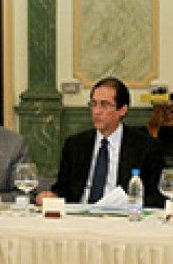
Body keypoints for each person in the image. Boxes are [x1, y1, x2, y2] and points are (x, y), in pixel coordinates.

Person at [41, 77, 164, 207]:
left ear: (122, 110)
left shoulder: (146, 146)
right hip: (78, 213)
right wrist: (50, 196)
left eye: (104, 105)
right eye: (93, 104)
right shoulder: (75, 144)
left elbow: (155, 196)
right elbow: (62, 189)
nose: (97, 111)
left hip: (122, 215)